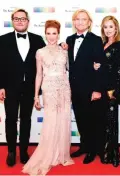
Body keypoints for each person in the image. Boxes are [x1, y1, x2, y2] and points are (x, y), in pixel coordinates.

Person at [22, 20, 74, 175]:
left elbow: (72, 69)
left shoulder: (65, 50)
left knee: (63, 118)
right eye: (48, 33)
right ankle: (48, 153)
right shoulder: (40, 52)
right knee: (51, 119)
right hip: (48, 87)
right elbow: (38, 74)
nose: (51, 37)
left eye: (54, 33)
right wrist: (35, 96)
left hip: (64, 87)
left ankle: (61, 153)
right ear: (45, 34)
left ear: (59, 34)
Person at [0, 8, 46, 167]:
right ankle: (11, 151)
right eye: (17, 18)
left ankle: (24, 151)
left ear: (28, 21)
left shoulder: (37, 39)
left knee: (26, 120)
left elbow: (48, 57)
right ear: (12, 21)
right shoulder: (2, 40)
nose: (20, 21)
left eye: (23, 19)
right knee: (11, 119)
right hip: (10, 87)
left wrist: (63, 47)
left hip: (30, 88)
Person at [66, 9, 106, 164]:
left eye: (84, 19)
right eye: (77, 19)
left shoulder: (95, 40)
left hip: (90, 89)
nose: (80, 22)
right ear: (74, 22)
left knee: (91, 120)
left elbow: (100, 65)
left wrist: (97, 89)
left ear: (89, 22)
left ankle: (92, 150)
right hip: (74, 88)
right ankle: (84, 146)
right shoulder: (68, 40)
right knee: (81, 119)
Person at [94, 15, 120, 167]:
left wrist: (115, 91)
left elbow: (119, 70)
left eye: (111, 27)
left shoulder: (119, 46)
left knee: (111, 122)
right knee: (102, 122)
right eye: (105, 27)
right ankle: (104, 150)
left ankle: (113, 155)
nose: (108, 30)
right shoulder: (102, 44)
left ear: (116, 28)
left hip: (111, 90)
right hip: (101, 89)